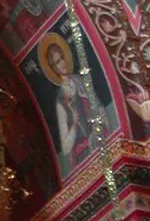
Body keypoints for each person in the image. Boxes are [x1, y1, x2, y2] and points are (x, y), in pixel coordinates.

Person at [44, 38, 107, 170]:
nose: (62, 64)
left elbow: (97, 103)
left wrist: (102, 120)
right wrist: (73, 123)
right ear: (54, 69)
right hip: (85, 153)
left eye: (62, 58)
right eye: (57, 63)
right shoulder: (60, 101)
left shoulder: (79, 80)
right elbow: (65, 149)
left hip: (100, 135)